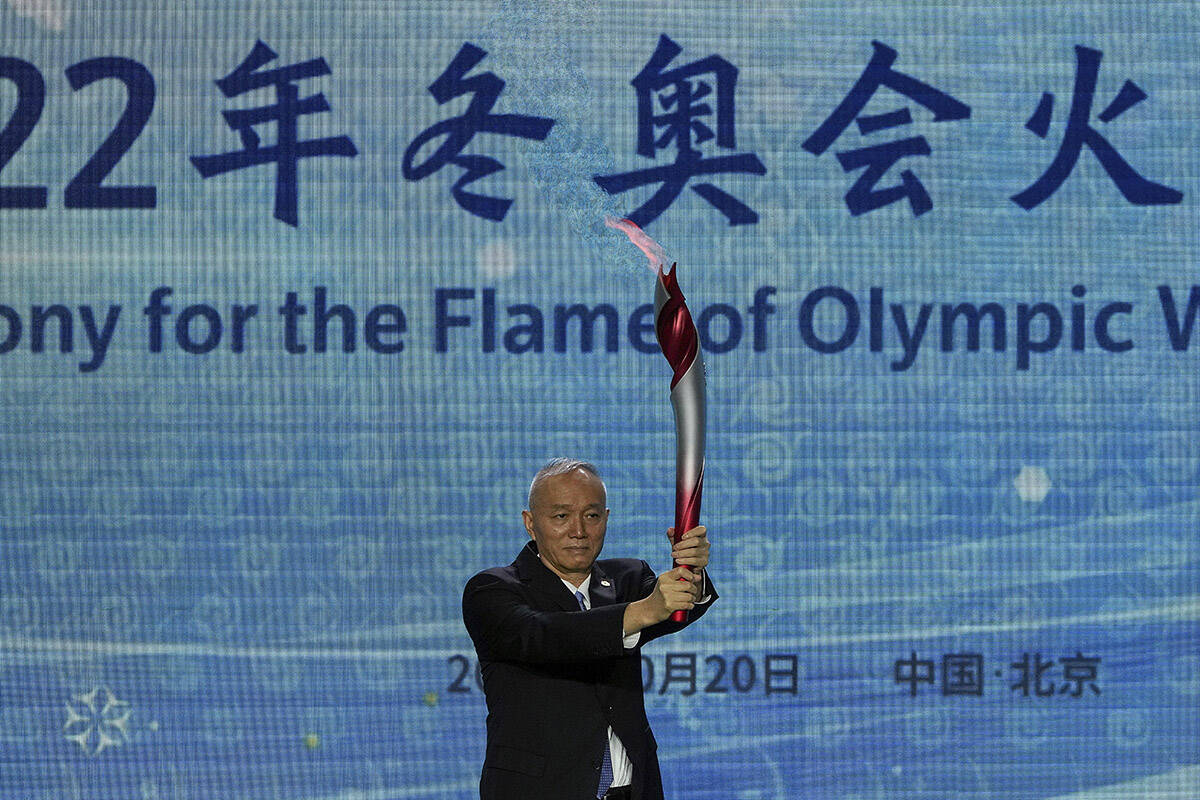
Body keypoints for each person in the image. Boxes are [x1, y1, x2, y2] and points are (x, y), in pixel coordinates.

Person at [462, 458, 716, 800]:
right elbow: (546, 636)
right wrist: (646, 609)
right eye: (561, 516)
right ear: (530, 522)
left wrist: (690, 573)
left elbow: (674, 611)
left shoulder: (627, 578)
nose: (579, 530)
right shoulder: (492, 590)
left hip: (632, 790)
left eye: (592, 515)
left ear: (606, 519)